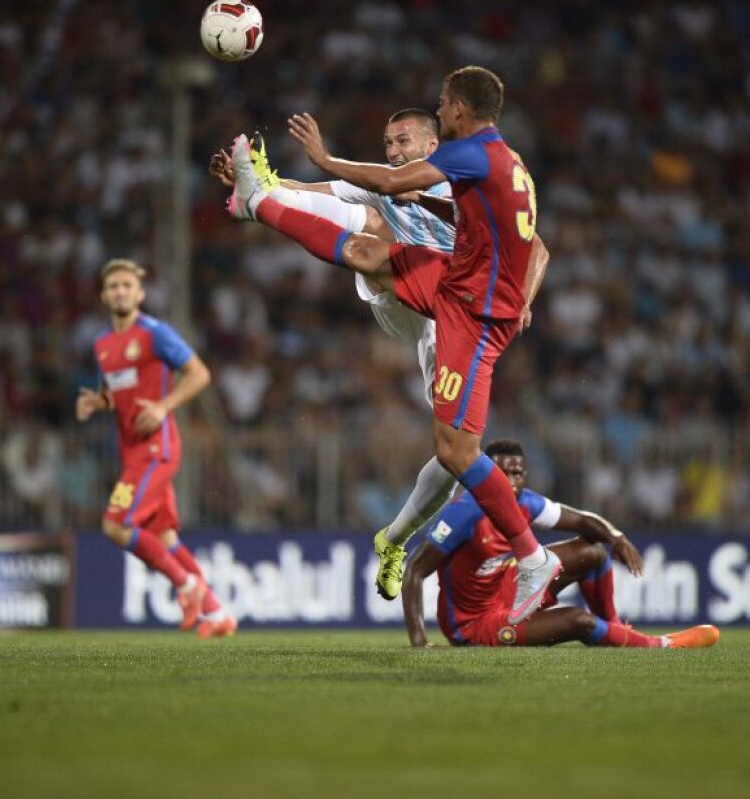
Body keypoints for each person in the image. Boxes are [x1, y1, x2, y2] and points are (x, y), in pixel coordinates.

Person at [228, 66, 558, 625]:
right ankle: (255, 201)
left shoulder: (465, 159)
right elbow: (356, 189)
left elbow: (535, 249)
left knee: (455, 453)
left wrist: (327, 158)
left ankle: (520, 554)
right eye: (390, 144)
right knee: (367, 239)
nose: (395, 149)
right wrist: (269, 182)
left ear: (451, 116)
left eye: (438, 107)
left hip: (468, 317)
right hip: (453, 286)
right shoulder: (501, 160)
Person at [402, 439, 722, 649]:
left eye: (518, 474)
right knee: (578, 622)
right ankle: (658, 645)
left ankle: (613, 632)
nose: (511, 482)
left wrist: (617, 538)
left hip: (510, 589)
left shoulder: (525, 502)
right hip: (475, 625)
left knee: (592, 554)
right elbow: (415, 571)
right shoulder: (464, 513)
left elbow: (583, 521)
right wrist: (420, 642)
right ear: (486, 476)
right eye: (502, 474)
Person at [75, 258, 237, 638]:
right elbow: (121, 392)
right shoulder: (102, 345)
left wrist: (165, 406)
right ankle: (218, 616)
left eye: (126, 285)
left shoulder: (155, 333)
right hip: (131, 450)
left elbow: (200, 373)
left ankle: (186, 586)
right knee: (165, 539)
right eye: (113, 286)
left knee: (115, 525)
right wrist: (100, 403)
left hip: (156, 448)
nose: (120, 291)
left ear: (140, 293)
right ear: (103, 295)